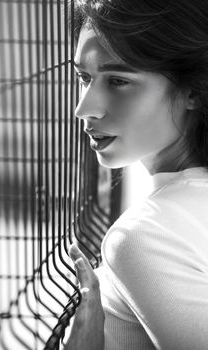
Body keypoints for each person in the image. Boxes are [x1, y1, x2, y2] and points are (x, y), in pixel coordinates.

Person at [61, 0, 208, 349]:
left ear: (193, 90)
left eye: (117, 81)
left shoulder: (143, 236)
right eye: (84, 77)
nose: (84, 109)